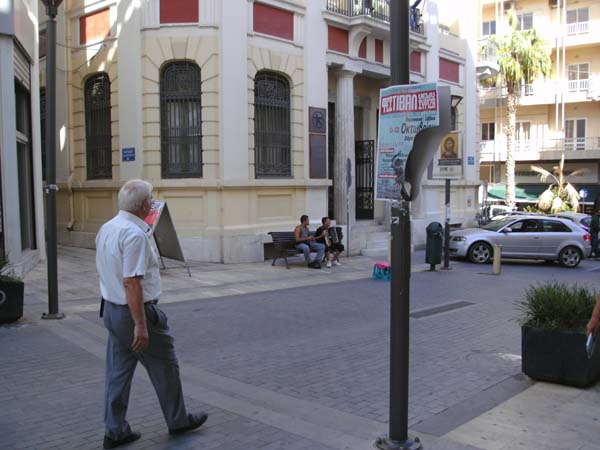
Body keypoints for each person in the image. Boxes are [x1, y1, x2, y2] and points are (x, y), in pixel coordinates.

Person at [96, 180, 207, 449]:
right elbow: (132, 282)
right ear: (145, 205)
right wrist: (141, 325)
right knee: (165, 367)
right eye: (152, 199)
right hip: (134, 312)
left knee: (118, 373)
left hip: (111, 310)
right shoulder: (134, 235)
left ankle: (115, 430)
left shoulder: (108, 228)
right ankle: (178, 420)